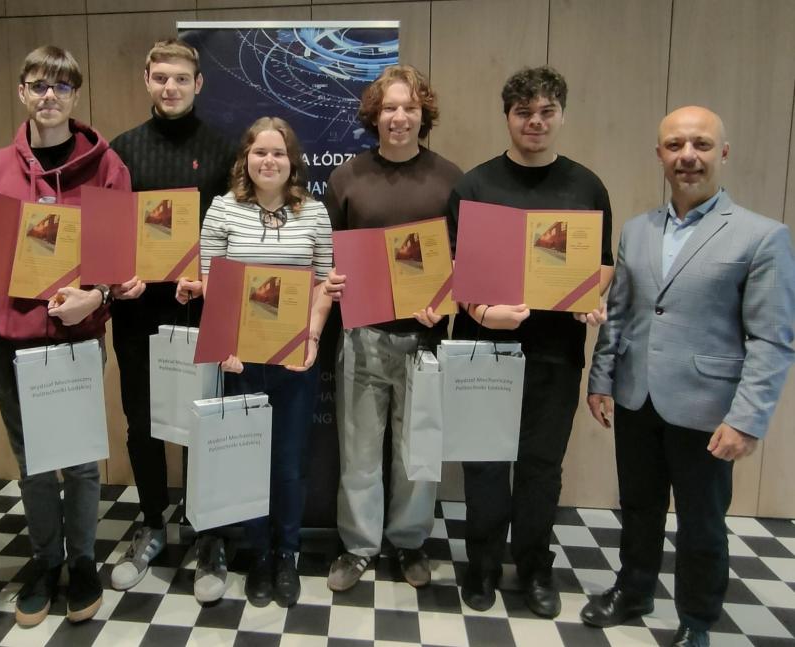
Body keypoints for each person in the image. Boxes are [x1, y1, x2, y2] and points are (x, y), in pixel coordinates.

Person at [0, 46, 141, 628]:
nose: (48, 95)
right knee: (31, 462)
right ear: (23, 93)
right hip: (11, 342)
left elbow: (120, 254)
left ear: (75, 97)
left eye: (60, 86)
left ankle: (82, 562)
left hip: (76, 337)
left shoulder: (106, 167)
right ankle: (45, 562)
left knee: (77, 463)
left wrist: (96, 296)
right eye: (37, 85)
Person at [582, 106, 795, 647]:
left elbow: (771, 339)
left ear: (723, 153)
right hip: (637, 398)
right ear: (660, 155)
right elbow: (623, 314)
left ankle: (697, 620)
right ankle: (633, 592)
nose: (687, 156)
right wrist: (601, 379)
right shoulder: (636, 230)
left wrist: (747, 420)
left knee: (702, 524)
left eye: (700, 144)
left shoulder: (762, 237)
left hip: (708, 409)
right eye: (675, 145)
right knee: (638, 508)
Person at [446, 66, 614, 618]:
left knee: (542, 465)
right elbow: (456, 269)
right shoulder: (474, 186)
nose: (535, 122)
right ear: (508, 118)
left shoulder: (586, 186)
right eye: (524, 113)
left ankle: (536, 567)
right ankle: (484, 565)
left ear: (561, 115)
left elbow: (604, 262)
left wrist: (593, 291)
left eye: (546, 112)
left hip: (556, 351)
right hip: (484, 346)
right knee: (485, 464)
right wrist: (481, 310)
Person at [176, 116, 333, 607]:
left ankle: (287, 554)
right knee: (246, 461)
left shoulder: (315, 213)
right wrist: (222, 344)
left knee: (288, 464)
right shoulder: (223, 210)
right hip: (239, 362)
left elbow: (326, 283)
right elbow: (211, 285)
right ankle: (258, 554)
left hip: (294, 363)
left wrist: (311, 336)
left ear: (292, 162)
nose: (269, 161)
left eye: (279, 153)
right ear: (246, 159)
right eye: (260, 152)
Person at [322, 64, 462, 592]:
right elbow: (328, 256)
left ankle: (408, 543)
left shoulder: (452, 179)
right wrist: (333, 280)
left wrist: (443, 300)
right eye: (389, 108)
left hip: (426, 339)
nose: (399, 117)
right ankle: (359, 547)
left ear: (423, 113)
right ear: (374, 116)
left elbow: (463, 259)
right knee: (358, 451)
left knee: (415, 452)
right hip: (362, 335)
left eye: (409, 107)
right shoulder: (346, 179)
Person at [108, 38, 236, 592]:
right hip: (139, 312)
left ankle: (208, 534)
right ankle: (154, 521)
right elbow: (109, 236)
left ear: (198, 83)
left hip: (202, 310)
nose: (170, 86)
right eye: (160, 76)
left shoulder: (225, 149)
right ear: (146, 79)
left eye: (180, 78)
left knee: (203, 423)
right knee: (144, 422)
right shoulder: (121, 150)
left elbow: (234, 234)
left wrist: (210, 278)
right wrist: (118, 277)